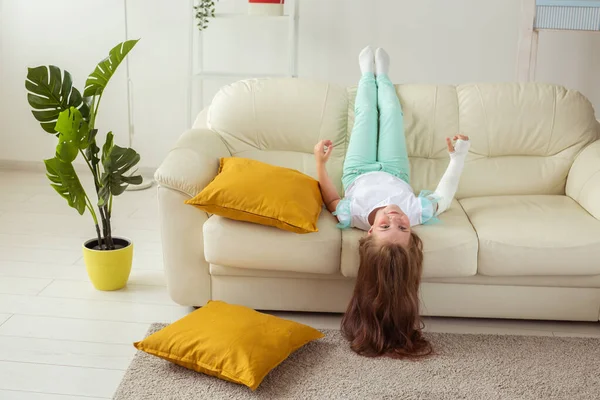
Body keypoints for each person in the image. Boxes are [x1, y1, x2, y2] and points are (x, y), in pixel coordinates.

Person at [313, 46, 470, 359]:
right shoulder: (415, 211)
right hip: (395, 168)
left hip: (357, 169)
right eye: (403, 226)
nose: (395, 215)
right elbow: (444, 198)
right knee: (392, 116)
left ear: (369, 233)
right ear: (412, 232)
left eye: (386, 225)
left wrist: (319, 163)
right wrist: (458, 158)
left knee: (367, 116)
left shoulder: (353, 215)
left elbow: (330, 197)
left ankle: (365, 77)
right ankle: (382, 75)